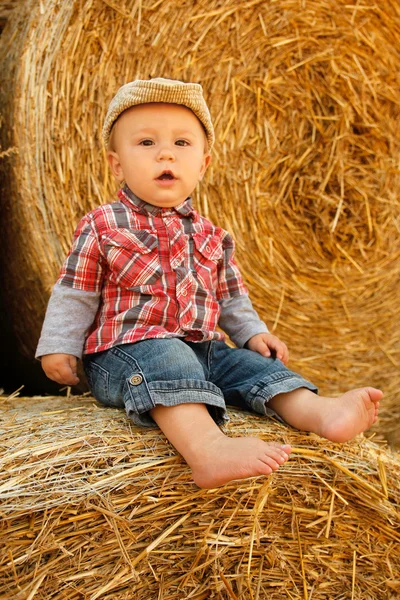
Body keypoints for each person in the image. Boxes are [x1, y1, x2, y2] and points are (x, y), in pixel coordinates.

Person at [36, 78, 382, 489]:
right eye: (146, 143)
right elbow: (76, 291)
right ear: (117, 164)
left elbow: (232, 298)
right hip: (126, 354)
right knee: (169, 358)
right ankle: (207, 449)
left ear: (203, 165)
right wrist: (58, 345)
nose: (165, 152)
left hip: (203, 348)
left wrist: (253, 333)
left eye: (182, 144)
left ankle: (320, 412)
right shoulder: (103, 224)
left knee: (252, 366)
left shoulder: (212, 235)